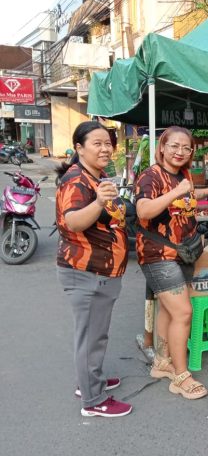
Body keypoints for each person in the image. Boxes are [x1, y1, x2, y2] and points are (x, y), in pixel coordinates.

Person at [55, 121, 132, 417]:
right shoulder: (77, 181)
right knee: (91, 338)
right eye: (97, 143)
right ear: (79, 148)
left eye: (108, 143)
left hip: (101, 271)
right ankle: (93, 400)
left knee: (95, 334)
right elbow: (72, 221)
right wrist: (100, 201)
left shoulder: (95, 177)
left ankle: (90, 381)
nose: (105, 148)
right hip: (87, 272)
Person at [135, 126, 208, 400]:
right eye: (174, 146)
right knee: (183, 313)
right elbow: (144, 210)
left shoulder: (182, 175)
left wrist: (202, 194)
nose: (180, 151)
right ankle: (181, 376)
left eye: (186, 147)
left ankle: (162, 362)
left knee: (169, 312)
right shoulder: (151, 175)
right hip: (158, 255)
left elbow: (183, 207)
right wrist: (177, 191)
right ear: (162, 147)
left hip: (183, 252)